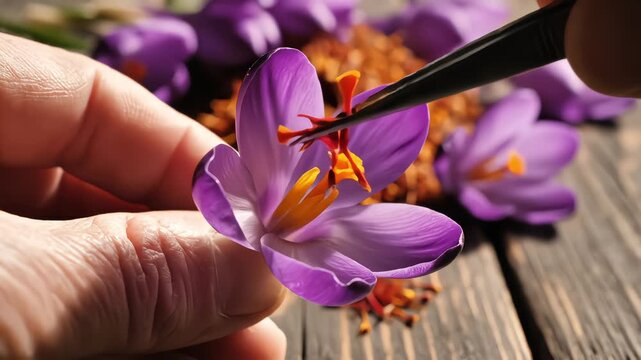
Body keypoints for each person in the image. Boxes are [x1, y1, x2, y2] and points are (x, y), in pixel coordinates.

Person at [0, 0, 639, 357]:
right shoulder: (230, 182)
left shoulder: (347, 246)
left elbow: (419, 245)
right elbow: (240, 142)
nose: (340, 170)